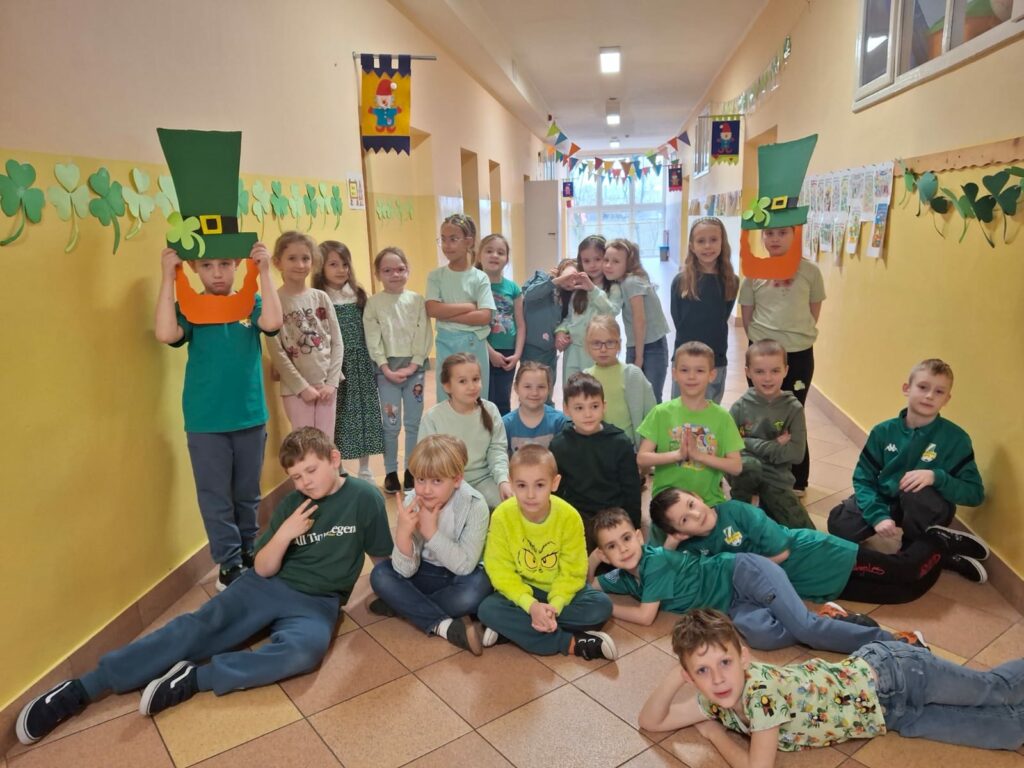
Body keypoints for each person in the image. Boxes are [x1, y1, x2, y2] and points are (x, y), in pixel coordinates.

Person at [16, 428, 392, 746]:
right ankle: (83, 687)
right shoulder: (292, 504)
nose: (305, 481)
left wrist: (397, 591)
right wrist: (285, 534)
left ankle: (194, 678)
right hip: (268, 585)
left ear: (334, 459)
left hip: (319, 602)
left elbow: (380, 557)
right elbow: (263, 567)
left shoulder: (366, 499)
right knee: (198, 628)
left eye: (311, 470)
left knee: (303, 654)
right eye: (296, 476)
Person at [638, 608, 1024, 760]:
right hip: (889, 717)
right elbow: (651, 722)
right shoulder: (716, 696)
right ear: (690, 676)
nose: (718, 678)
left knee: (996, 689)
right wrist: (677, 674)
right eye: (702, 671)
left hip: (896, 673)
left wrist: (714, 735)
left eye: (724, 662)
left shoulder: (760, 694)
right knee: (1008, 732)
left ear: (744, 658)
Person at [591, 508, 925, 652]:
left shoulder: (656, 562)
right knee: (763, 636)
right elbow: (590, 585)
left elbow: (645, 616)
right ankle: (831, 619)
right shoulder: (626, 576)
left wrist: (605, 605)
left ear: (639, 536)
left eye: (626, 539)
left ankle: (897, 641)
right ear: (605, 554)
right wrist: (593, 563)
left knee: (805, 628)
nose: (623, 549)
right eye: (612, 547)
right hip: (732, 604)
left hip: (744, 572)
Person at [155, 242, 283, 591]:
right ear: (194, 269)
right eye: (207, 265)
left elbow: (273, 322)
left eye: (225, 264)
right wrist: (168, 277)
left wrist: (265, 272)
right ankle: (229, 563)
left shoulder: (251, 303)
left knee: (247, 492)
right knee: (216, 496)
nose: (217, 273)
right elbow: (166, 333)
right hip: (206, 422)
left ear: (237, 265)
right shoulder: (190, 309)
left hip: (249, 416)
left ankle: (248, 550)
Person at [650, 489, 990, 614]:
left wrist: (736, 568)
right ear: (680, 532)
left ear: (698, 497)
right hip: (815, 584)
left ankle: (936, 540)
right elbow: (668, 570)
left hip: (821, 556)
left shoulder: (736, 511)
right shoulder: (693, 545)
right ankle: (942, 558)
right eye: (684, 520)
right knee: (904, 594)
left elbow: (780, 553)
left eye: (691, 504)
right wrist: (672, 543)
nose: (695, 514)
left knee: (904, 571)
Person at [828, 359, 986, 582]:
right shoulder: (883, 431)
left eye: (939, 391)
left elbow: (975, 494)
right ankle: (937, 549)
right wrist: (877, 515)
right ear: (906, 388)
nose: (929, 396)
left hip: (926, 505)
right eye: (923, 387)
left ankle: (929, 548)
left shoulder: (956, 439)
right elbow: (863, 478)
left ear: (946, 399)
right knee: (839, 525)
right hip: (887, 499)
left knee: (916, 493)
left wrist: (937, 477)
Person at [477, 445, 617, 660]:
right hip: (522, 591)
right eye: (521, 485)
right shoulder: (502, 516)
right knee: (487, 609)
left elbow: (573, 571)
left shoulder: (569, 516)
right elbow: (500, 570)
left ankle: (515, 629)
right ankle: (572, 643)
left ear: (555, 483)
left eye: (540, 485)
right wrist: (531, 605)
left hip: (560, 592)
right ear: (511, 483)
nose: (530, 494)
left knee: (601, 607)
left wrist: (554, 606)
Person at [369, 435, 491, 654]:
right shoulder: (412, 501)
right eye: (420, 479)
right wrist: (403, 534)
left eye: (437, 481)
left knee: (475, 591)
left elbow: (465, 566)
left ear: (457, 479)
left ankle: (403, 605)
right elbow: (404, 570)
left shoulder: (475, 504)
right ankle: (446, 627)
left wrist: (431, 533)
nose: (426, 490)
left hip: (457, 576)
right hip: (422, 572)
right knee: (380, 575)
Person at [739, 226, 825, 496]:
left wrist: (793, 337)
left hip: (798, 353)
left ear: (795, 235)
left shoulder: (810, 271)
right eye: (769, 233)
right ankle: (759, 474)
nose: (774, 238)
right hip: (762, 353)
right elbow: (747, 314)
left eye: (782, 233)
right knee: (761, 412)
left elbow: (813, 311)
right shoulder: (754, 272)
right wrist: (760, 345)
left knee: (793, 412)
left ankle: (797, 479)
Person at [637, 341, 743, 544]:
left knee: (710, 558)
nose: (691, 376)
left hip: (708, 505)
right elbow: (642, 458)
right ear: (674, 373)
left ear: (712, 375)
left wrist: (699, 456)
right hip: (667, 507)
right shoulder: (661, 413)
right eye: (685, 370)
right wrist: (677, 455)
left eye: (700, 370)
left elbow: (736, 466)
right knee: (660, 557)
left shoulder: (722, 418)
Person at [363, 246, 433, 494]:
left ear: (408, 271)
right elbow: (373, 338)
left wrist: (414, 364)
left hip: (415, 371)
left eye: (400, 269)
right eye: (387, 270)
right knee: (391, 424)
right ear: (378, 274)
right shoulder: (373, 304)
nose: (395, 274)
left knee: (413, 422)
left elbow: (424, 332)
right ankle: (391, 472)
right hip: (386, 373)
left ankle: (411, 470)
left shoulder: (417, 300)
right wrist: (385, 367)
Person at [316, 240, 384, 482]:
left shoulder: (359, 295)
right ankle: (339, 465)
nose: (341, 269)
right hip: (335, 365)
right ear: (320, 267)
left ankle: (365, 467)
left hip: (361, 361)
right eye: (333, 264)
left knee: (365, 414)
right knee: (338, 416)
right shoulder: (319, 297)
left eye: (345, 264)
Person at [727, 339, 814, 529]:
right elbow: (728, 449)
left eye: (775, 371)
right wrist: (774, 445)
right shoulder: (739, 407)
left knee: (806, 533)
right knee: (750, 466)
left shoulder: (794, 409)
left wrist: (746, 442)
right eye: (760, 371)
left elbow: (796, 454)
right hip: (745, 478)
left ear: (786, 371)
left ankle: (765, 507)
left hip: (777, 479)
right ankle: (739, 512)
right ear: (748, 372)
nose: (768, 378)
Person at [267, 232, 344, 438]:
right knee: (304, 444)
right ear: (278, 262)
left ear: (313, 261)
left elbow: (337, 343)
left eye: (305, 258)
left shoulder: (321, 297)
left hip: (327, 386)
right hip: (296, 390)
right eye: (292, 258)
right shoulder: (274, 301)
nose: (300, 265)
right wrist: (302, 387)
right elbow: (277, 351)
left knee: (325, 442)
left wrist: (332, 382)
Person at [550, 373, 642, 540]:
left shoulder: (620, 442)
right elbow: (556, 493)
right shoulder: (559, 445)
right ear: (566, 409)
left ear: (603, 406)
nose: (588, 414)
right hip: (577, 516)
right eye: (579, 408)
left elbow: (632, 491)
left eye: (594, 406)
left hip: (613, 517)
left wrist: (634, 528)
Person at [419, 353, 511, 509]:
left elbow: (497, 450)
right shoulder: (432, 418)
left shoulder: (491, 410)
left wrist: (503, 480)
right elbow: (427, 462)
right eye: (462, 381)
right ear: (447, 386)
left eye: (476, 379)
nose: (472, 386)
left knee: (511, 507)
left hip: (484, 480)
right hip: (447, 484)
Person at [425, 213, 495, 402]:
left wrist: (446, 313)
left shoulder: (479, 277)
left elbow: (484, 316)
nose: (447, 245)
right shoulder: (436, 276)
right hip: (446, 342)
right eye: (443, 239)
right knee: (447, 397)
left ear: (468, 242)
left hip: (474, 344)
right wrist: (469, 306)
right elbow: (432, 309)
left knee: (475, 397)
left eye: (453, 239)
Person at [670, 217, 738, 404]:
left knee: (709, 409)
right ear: (692, 246)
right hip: (685, 356)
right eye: (701, 241)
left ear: (722, 242)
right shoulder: (681, 281)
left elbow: (723, 315)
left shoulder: (731, 281)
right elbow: (678, 318)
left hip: (715, 357)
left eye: (713, 240)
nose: (708, 246)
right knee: (681, 407)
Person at [602, 238, 671, 402]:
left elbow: (640, 320)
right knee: (635, 396)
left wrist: (639, 357)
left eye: (616, 261)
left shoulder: (631, 282)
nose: (608, 265)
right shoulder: (623, 282)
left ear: (628, 264)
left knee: (652, 397)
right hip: (637, 345)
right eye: (606, 260)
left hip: (651, 346)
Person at [556, 236, 621, 386]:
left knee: (596, 391)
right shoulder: (577, 289)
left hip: (599, 351)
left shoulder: (613, 288)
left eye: (597, 259)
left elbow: (611, 312)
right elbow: (569, 318)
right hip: (573, 350)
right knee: (571, 390)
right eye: (586, 261)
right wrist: (560, 331)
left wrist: (592, 289)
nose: (592, 265)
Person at [583, 315, 655, 447]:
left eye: (610, 342)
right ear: (588, 346)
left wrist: (644, 450)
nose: (603, 349)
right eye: (597, 343)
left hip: (628, 449)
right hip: (595, 448)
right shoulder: (585, 377)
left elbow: (651, 416)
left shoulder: (632, 374)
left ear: (619, 344)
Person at [477, 233, 524, 415]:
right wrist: (490, 352)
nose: (494, 255)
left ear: (507, 259)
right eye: (489, 251)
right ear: (479, 256)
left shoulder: (513, 288)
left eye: (500, 252)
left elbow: (520, 324)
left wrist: (517, 354)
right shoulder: (475, 286)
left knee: (503, 401)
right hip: (482, 350)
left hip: (508, 354)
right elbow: (474, 327)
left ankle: (502, 433)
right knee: (484, 400)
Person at [519, 258, 578, 379]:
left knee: (548, 383)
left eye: (574, 278)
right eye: (567, 276)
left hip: (550, 351)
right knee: (530, 381)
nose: (570, 281)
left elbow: (567, 320)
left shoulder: (569, 297)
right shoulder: (543, 279)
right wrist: (555, 280)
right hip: (531, 347)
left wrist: (561, 333)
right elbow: (529, 294)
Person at [502, 362, 567, 453]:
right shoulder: (505, 424)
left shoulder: (559, 422)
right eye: (527, 387)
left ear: (549, 389)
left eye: (541, 387)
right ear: (516, 388)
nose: (534, 393)